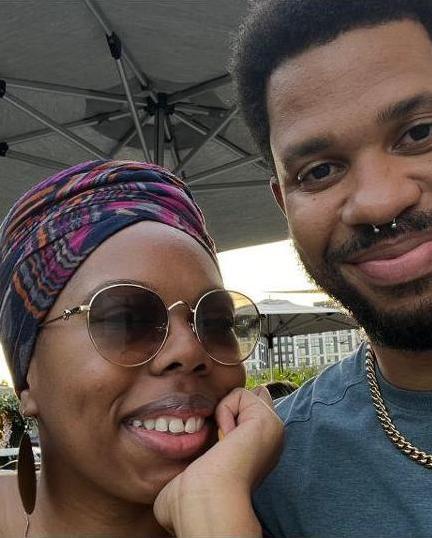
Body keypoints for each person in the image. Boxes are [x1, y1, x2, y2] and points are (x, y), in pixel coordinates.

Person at [231, 1, 432, 536]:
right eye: (319, 171)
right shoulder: (267, 476)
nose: (378, 202)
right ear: (284, 205)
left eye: (419, 133)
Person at [0, 160, 283, 537]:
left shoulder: (300, 512)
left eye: (216, 323)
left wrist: (214, 510)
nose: (190, 350)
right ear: (27, 378)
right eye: (126, 321)